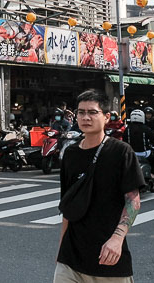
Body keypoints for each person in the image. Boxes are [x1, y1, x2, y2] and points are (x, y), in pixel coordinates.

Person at [56, 89, 144, 283]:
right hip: (71, 259)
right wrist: (61, 248)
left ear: (106, 117)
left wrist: (117, 238)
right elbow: (68, 204)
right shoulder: (70, 153)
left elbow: (133, 201)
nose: (85, 117)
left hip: (109, 258)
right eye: (81, 112)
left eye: (92, 112)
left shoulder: (121, 151)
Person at [126, 109, 154, 180]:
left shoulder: (127, 129)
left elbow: (124, 141)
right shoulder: (146, 129)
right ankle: (152, 174)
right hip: (144, 153)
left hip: (130, 153)